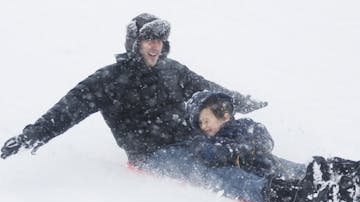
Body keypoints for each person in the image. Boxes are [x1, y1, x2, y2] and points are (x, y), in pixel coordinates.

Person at [0, 13, 267, 162]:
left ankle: (297, 178)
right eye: (149, 39)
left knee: (247, 154)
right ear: (133, 42)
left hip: (192, 140)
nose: (156, 46)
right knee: (221, 171)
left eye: (160, 40)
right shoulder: (108, 80)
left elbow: (207, 89)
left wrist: (241, 101)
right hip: (152, 156)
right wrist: (29, 137)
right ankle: (286, 199)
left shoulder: (172, 70)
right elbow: (66, 111)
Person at [141, 90, 357, 202]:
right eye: (200, 124)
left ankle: (342, 177)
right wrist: (240, 149)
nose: (204, 127)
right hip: (246, 176)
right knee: (248, 183)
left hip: (266, 163)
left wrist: (247, 147)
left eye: (206, 120)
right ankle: (301, 200)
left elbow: (264, 139)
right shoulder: (202, 141)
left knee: (288, 166)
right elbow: (211, 154)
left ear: (223, 115)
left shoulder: (245, 126)